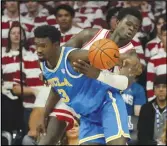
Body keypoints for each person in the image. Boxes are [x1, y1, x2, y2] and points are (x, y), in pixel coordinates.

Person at [36, 7, 143, 145]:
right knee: (48, 139)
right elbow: (58, 57)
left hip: (100, 98)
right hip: (74, 94)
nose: (131, 30)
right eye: (128, 24)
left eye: (135, 28)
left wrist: (98, 74)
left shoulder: (131, 55)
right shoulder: (89, 35)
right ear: (117, 23)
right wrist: (46, 72)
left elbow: (124, 84)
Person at [137, 75, 167, 145]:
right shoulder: (146, 108)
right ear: (154, 91)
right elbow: (142, 136)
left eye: (164, 86)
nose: (161, 89)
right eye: (158, 87)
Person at [146, 24, 167, 101]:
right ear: (161, 37)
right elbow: (150, 84)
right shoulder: (153, 60)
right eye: (165, 35)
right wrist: (153, 104)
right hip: (160, 102)